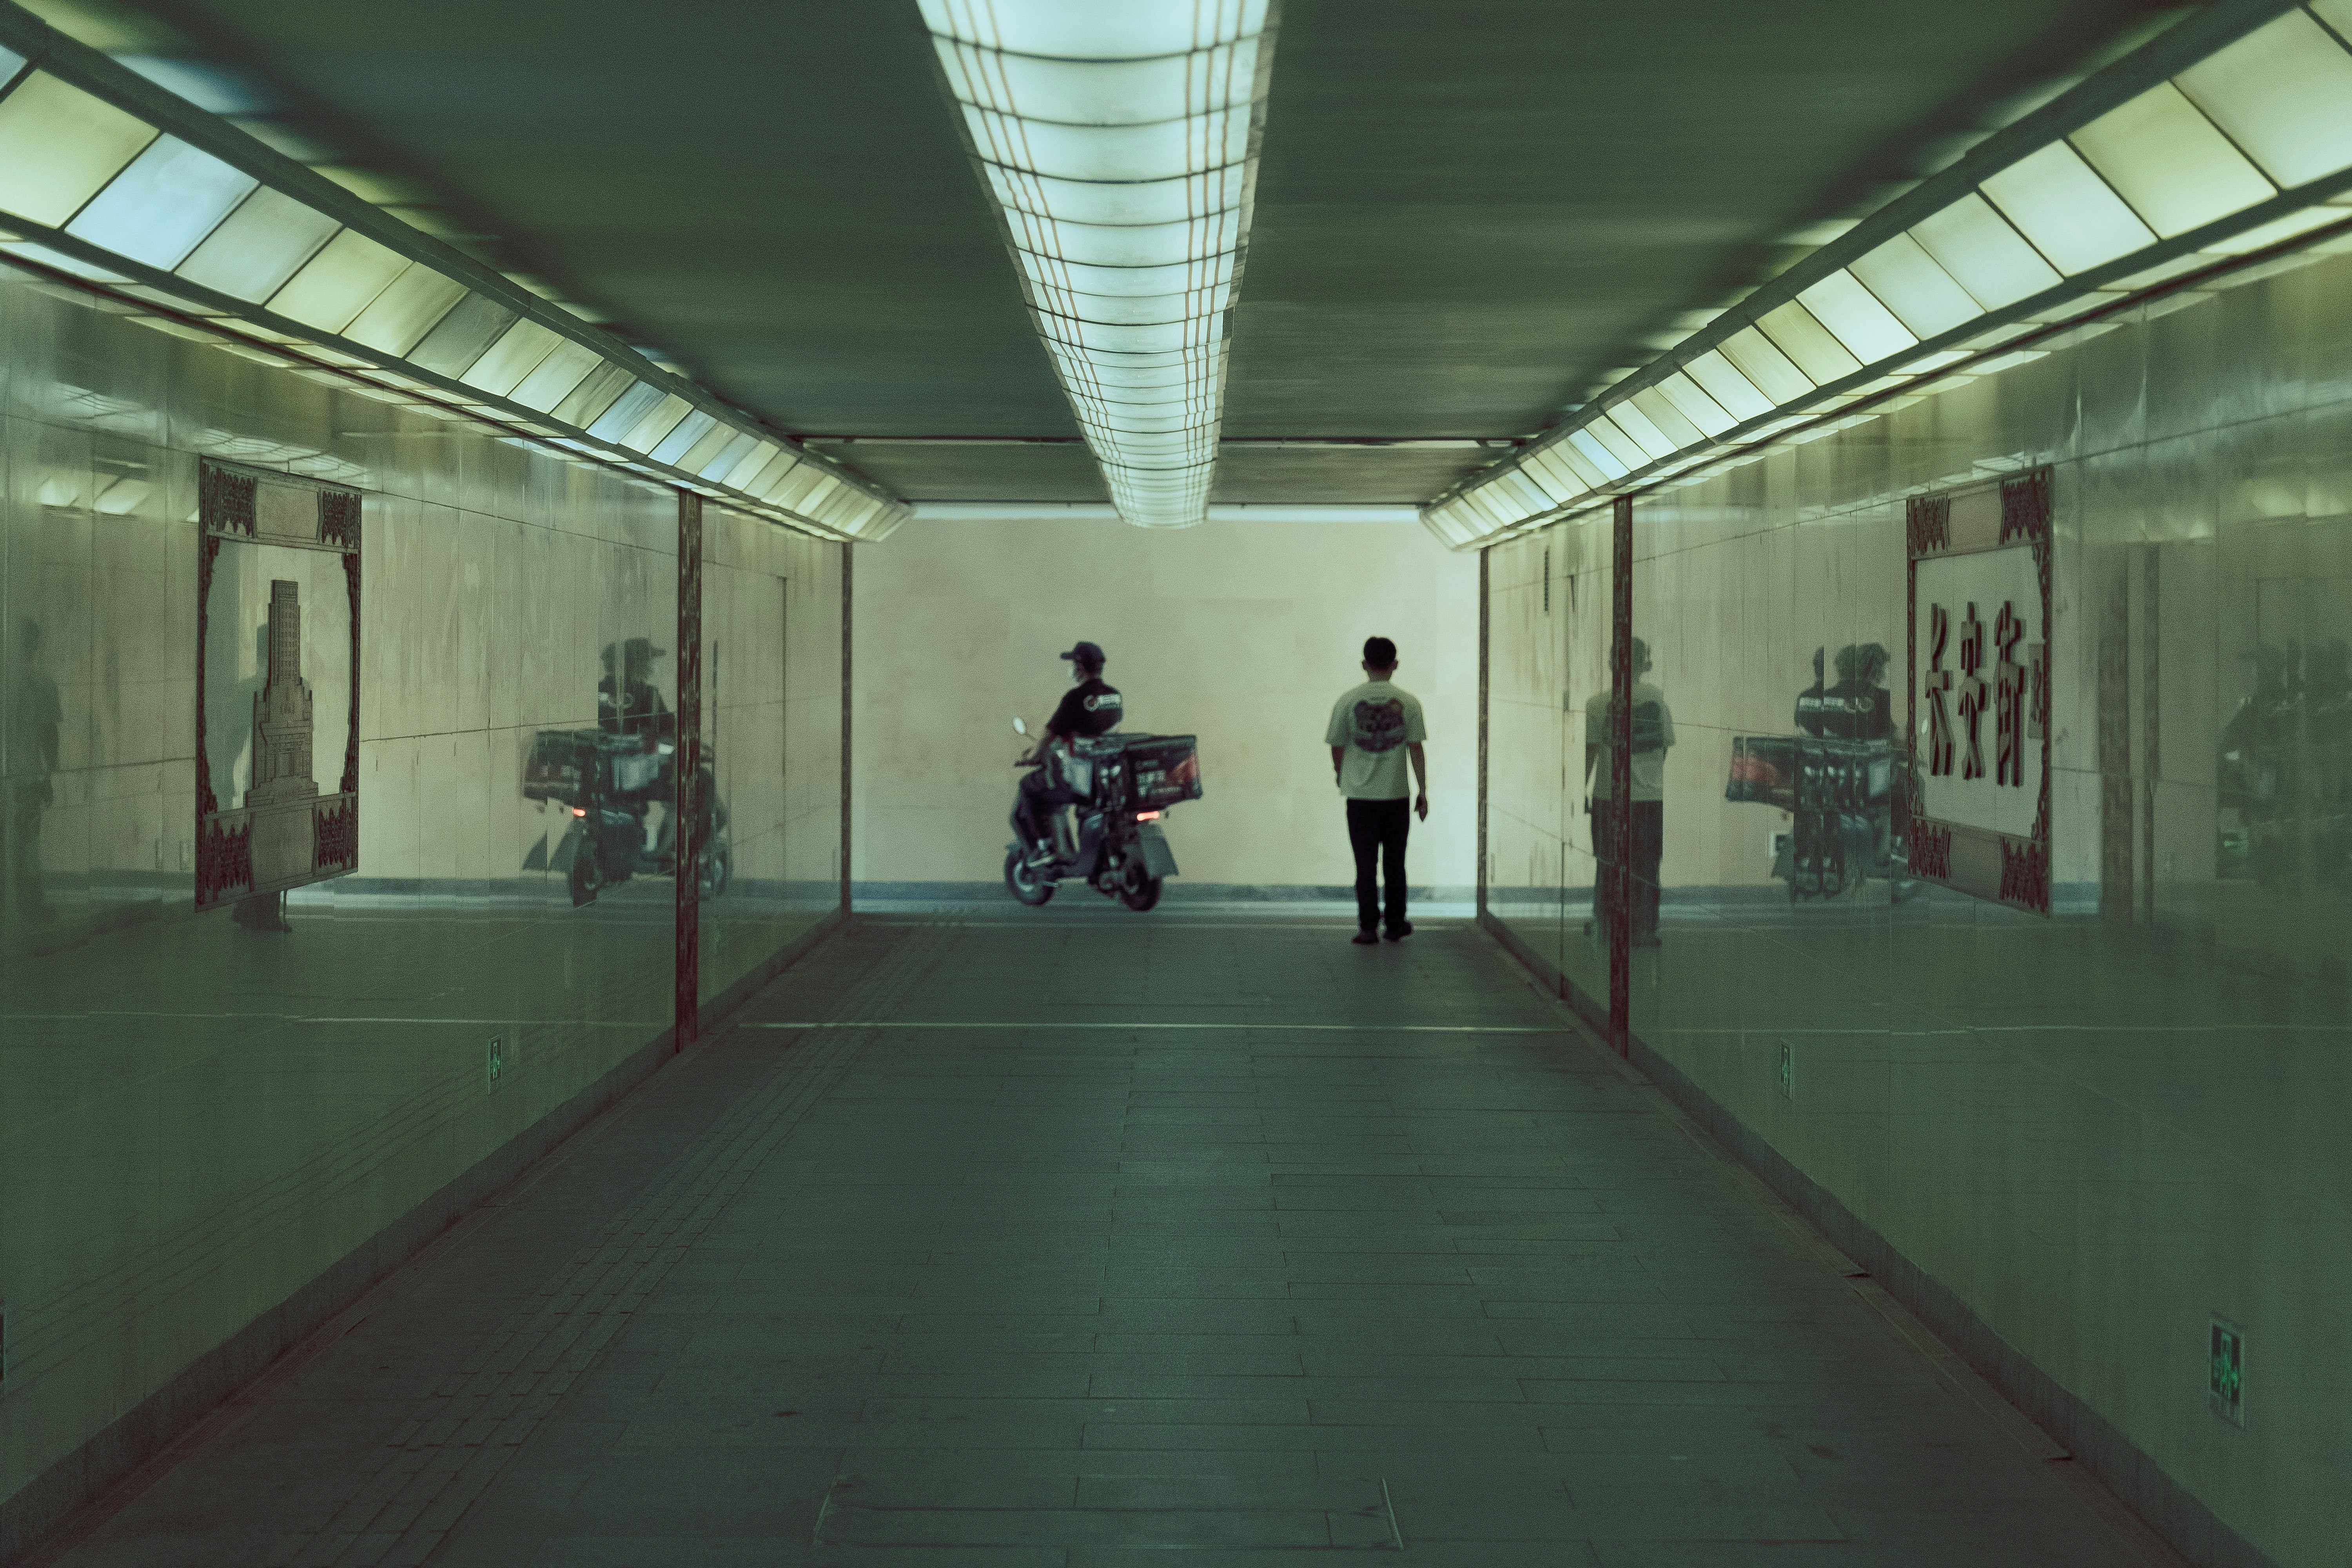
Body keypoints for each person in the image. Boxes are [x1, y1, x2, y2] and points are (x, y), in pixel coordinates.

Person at [1325, 636, 1428, 945]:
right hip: (1396, 796)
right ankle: (1396, 925)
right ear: (1395, 665)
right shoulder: (1409, 702)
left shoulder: (1346, 701)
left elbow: (1337, 747)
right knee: (1396, 864)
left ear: (1364, 665)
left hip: (1359, 798)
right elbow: (1416, 750)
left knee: (1365, 864)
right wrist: (1423, 791)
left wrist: (1341, 776)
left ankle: (1368, 927)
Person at [1584, 636, 1675, 946]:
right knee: (1647, 863)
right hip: (1649, 797)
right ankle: (1645, 927)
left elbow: (1591, 753)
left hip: (1608, 797)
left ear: (1612, 663)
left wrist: (1584, 789)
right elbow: (1664, 747)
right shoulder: (1657, 699)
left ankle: (1608, 924)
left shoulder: (1597, 704)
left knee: (1608, 861)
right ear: (1644, 664)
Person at [1015, 641, 1123, 859]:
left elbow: (1049, 734)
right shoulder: (1115, 697)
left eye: (1072, 664)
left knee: (1028, 786)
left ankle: (1043, 848)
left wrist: (1033, 757)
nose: (1071, 669)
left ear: (1080, 668)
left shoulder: (1074, 698)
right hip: (1107, 776)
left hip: (1081, 779)